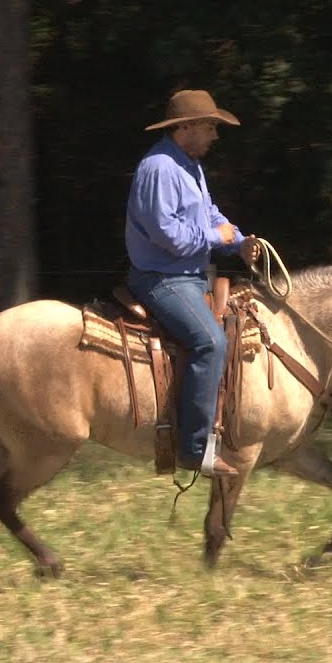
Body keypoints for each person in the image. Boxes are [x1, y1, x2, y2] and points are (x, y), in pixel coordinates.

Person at [124, 89, 261, 478]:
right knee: (210, 342)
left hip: (188, 275)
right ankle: (196, 448)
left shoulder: (189, 166)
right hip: (162, 278)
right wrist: (219, 238)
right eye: (210, 127)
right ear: (187, 127)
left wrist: (238, 241)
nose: (215, 136)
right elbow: (170, 236)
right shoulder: (158, 169)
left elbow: (209, 214)